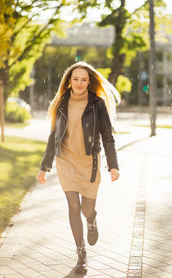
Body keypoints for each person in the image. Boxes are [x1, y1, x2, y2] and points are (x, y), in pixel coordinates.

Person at [36, 61, 120, 274]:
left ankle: (92, 219)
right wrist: (45, 166)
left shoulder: (97, 104)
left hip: (89, 163)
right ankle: (81, 255)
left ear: (89, 81)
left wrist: (113, 165)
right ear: (69, 81)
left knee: (85, 209)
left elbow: (108, 137)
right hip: (66, 161)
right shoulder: (61, 103)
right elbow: (53, 136)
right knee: (73, 207)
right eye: (76, 79)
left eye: (84, 79)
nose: (80, 83)